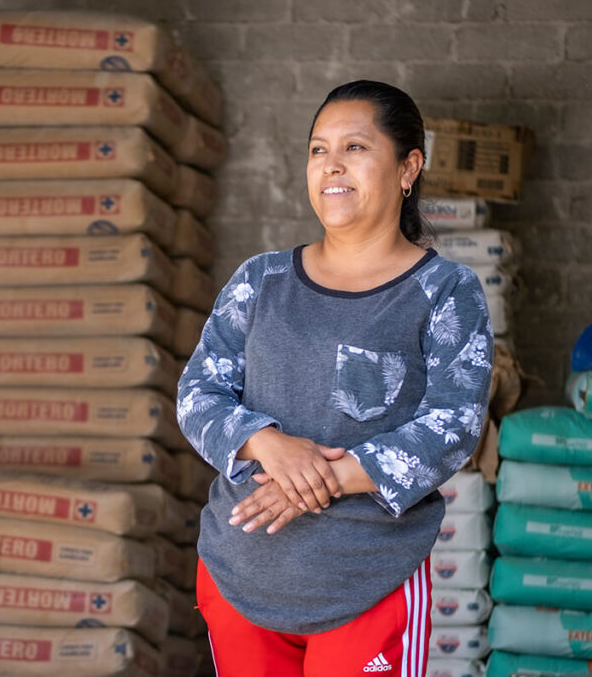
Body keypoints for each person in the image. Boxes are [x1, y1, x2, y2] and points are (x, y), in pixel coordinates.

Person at [176, 80, 494, 677]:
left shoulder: (445, 292)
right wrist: (266, 443)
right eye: (318, 150)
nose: (331, 166)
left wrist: (323, 477)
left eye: (355, 148)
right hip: (241, 572)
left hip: (368, 581)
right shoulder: (260, 281)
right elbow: (198, 393)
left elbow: (453, 425)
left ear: (408, 167)